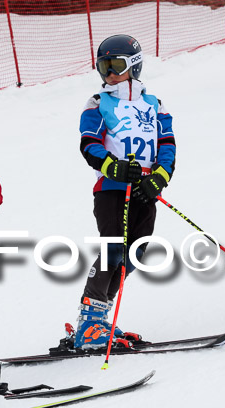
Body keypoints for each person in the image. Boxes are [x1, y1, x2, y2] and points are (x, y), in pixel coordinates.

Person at [58, 34, 176, 351]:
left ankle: (98, 317)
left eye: (116, 66)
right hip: (112, 189)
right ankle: (90, 320)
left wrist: (159, 178)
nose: (109, 74)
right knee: (113, 248)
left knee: (136, 253)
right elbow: (90, 145)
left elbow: (168, 147)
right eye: (104, 67)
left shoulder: (154, 105)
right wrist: (114, 167)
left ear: (134, 66)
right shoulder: (98, 103)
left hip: (144, 190)